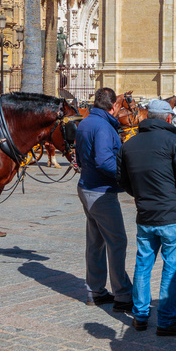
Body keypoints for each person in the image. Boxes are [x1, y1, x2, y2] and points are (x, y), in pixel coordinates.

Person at [118, 97, 176, 335]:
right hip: (171, 215)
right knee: (171, 268)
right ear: (167, 118)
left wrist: (140, 196)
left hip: (146, 215)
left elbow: (123, 180)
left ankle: (140, 315)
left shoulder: (129, 145)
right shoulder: (173, 141)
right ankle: (166, 319)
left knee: (143, 264)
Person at [75, 87, 133, 310]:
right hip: (101, 192)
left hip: (87, 187)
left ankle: (96, 290)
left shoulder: (87, 122)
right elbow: (104, 160)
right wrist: (125, 174)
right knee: (117, 242)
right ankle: (122, 294)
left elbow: (80, 157)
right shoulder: (102, 127)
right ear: (113, 106)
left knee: (96, 242)